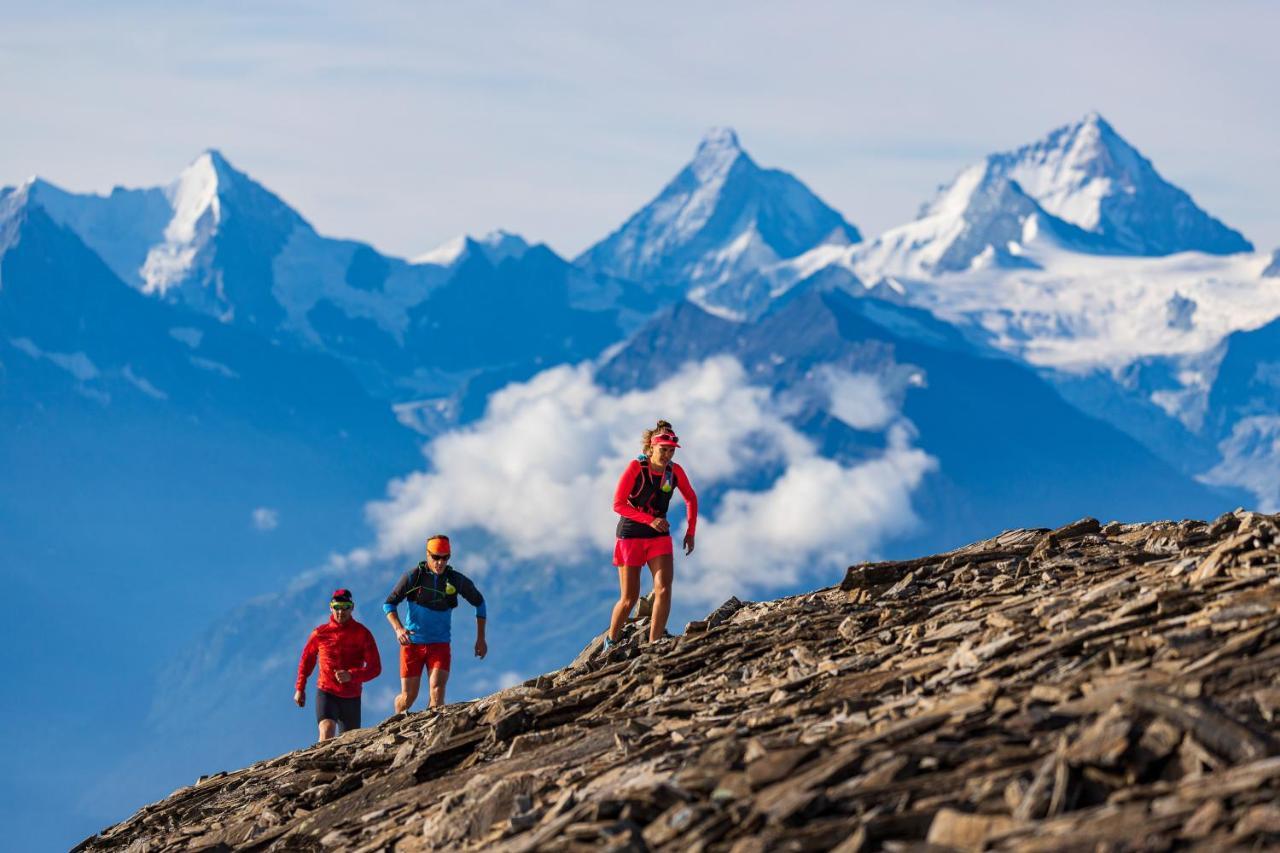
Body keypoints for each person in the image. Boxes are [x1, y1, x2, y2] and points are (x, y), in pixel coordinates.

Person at [607, 419, 698, 647]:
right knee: (629, 599)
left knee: (664, 589)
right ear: (651, 446)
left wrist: (691, 531)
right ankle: (611, 640)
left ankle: (654, 642)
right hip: (630, 536)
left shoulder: (674, 471)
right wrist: (650, 520)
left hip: (659, 537)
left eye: (670, 451)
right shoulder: (636, 468)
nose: (667, 455)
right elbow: (618, 504)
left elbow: (691, 498)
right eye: (663, 450)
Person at [384, 534, 487, 711]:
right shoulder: (413, 577)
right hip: (413, 644)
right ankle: (394, 721)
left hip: (440, 644)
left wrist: (481, 638)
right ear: (427, 555)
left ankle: (431, 736)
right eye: (435, 557)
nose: (440, 562)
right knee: (408, 698)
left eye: (445, 558)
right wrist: (399, 629)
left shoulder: (455, 579)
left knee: (437, 692)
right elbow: (388, 604)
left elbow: (480, 603)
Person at [294, 588, 382, 742]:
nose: (341, 612)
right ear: (331, 607)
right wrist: (300, 688)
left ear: (352, 607)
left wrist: (352, 675)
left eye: (345, 607)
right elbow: (307, 661)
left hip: (352, 696)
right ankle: (320, 766)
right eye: (337, 607)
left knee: (350, 744)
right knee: (327, 731)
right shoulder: (320, 633)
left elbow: (375, 668)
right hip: (327, 692)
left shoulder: (363, 634)